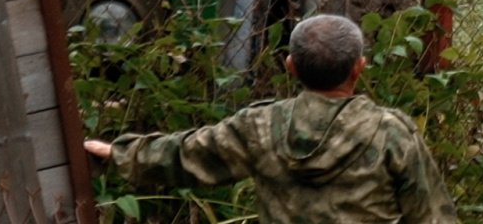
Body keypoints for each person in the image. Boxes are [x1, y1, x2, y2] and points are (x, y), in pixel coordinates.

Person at [85, 12, 456, 223]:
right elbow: (432, 217)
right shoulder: (391, 133)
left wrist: (118, 153)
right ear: (359, 68)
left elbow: (186, 156)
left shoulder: (258, 128)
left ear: (290, 66)